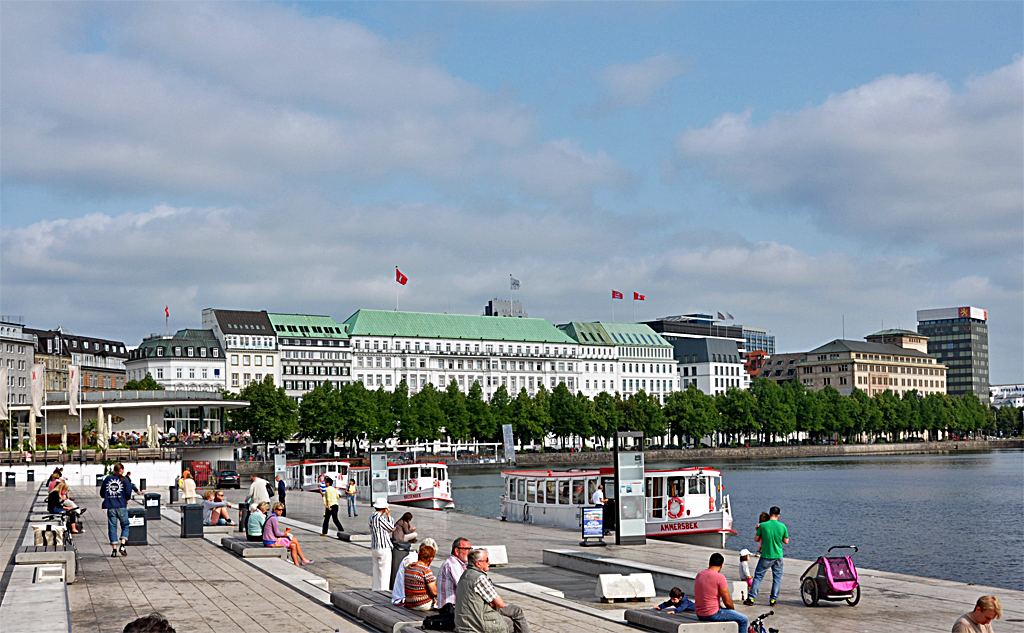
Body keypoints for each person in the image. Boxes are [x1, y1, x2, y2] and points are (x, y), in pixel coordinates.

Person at [454, 549, 530, 633]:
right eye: (486, 560)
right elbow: (500, 604)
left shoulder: (465, 574)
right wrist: (493, 603)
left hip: (468, 617)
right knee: (511, 620)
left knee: (515, 610)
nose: (489, 563)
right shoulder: (479, 578)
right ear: (478, 564)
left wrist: (493, 602)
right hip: (478, 621)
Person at [745, 506, 788, 607]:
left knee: (758, 577)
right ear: (778, 515)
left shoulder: (763, 526)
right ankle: (773, 600)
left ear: (769, 514)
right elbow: (786, 541)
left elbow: (756, 539)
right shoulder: (782, 526)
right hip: (778, 556)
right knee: (777, 578)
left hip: (766, 555)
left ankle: (751, 599)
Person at [694, 553, 748, 633]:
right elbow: (727, 600)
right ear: (721, 565)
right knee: (744, 620)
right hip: (712, 614)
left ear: (709, 562)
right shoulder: (720, 577)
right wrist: (732, 611)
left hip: (699, 614)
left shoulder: (700, 574)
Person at [262, 502, 313, 567]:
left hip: (269, 540)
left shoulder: (272, 517)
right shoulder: (274, 518)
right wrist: (286, 534)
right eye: (279, 510)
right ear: (274, 509)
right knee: (294, 539)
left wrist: (285, 534)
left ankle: (297, 564)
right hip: (271, 541)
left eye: (282, 510)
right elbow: (277, 533)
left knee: (293, 546)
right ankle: (303, 559)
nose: (281, 511)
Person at [101, 462, 131, 558]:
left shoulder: (108, 479)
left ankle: (114, 549)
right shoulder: (125, 480)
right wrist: (126, 499)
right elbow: (128, 493)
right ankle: (122, 545)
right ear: (121, 470)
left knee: (112, 527)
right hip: (121, 505)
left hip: (111, 506)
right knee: (125, 525)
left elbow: (102, 493)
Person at [404, 538, 439, 611]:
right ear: (431, 559)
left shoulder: (409, 567)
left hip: (409, 603)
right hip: (422, 604)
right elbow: (434, 592)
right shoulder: (425, 570)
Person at [369, 498, 396, 590]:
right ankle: (383, 591)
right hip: (384, 546)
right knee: (384, 572)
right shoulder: (380, 518)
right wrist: (389, 516)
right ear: (384, 508)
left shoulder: (371, 517)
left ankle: (375, 589)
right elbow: (391, 528)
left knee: (376, 571)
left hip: (375, 546)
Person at [438, 537, 473, 608]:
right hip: (450, 608)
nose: (469, 552)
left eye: (470, 549)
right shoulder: (453, 564)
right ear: (457, 550)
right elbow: (464, 586)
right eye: (466, 549)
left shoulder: (456, 563)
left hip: (452, 606)